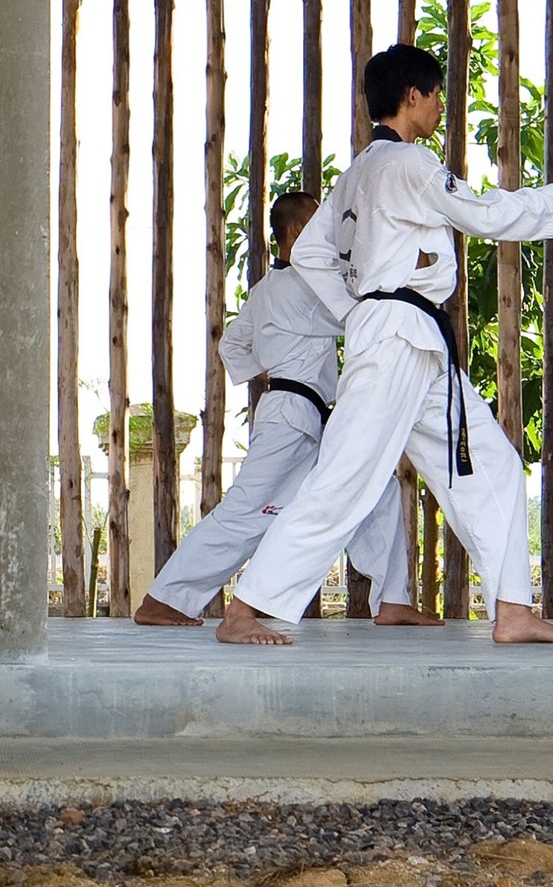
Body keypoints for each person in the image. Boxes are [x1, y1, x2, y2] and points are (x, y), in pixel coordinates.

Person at [217, 44, 553, 648]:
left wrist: (362, 308)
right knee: (346, 475)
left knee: (494, 464)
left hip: (409, 341)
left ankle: (512, 608)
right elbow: (481, 211)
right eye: (437, 94)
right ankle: (246, 609)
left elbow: (313, 255)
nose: (442, 106)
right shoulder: (410, 164)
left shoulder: (356, 175)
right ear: (412, 97)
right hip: (398, 337)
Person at [134, 183, 419, 627]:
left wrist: (265, 372)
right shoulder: (303, 285)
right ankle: (165, 599)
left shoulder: (266, 289)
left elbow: (233, 342)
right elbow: (359, 312)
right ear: (299, 228)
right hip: (292, 416)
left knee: (375, 489)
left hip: (304, 410)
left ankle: (393, 599)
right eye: (319, 220)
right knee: (249, 510)